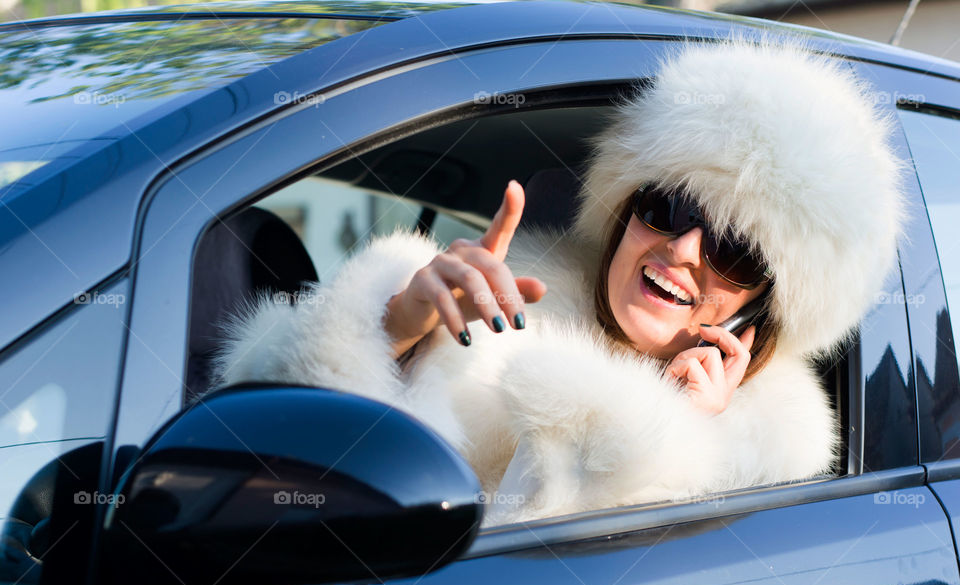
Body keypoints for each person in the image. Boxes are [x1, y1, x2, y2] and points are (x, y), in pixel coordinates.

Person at [208, 38, 909, 527]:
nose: (683, 248)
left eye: (735, 250)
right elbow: (264, 485)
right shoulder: (494, 308)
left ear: (762, 307)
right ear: (623, 210)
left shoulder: (768, 456)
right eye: (668, 207)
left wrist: (672, 433)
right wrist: (391, 329)